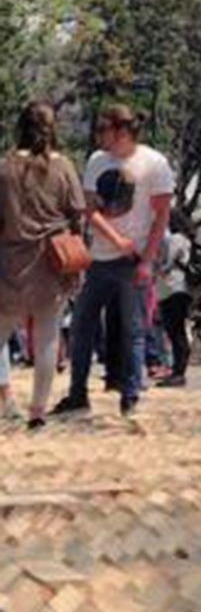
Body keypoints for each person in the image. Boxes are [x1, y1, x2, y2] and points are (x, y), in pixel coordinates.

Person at [53, 104, 174, 419]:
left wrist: (147, 261)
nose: (99, 135)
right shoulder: (97, 161)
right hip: (100, 257)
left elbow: (161, 216)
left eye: (103, 129)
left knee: (133, 330)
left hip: (134, 260)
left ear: (121, 131)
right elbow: (90, 209)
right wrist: (115, 239)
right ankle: (77, 394)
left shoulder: (154, 163)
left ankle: (130, 396)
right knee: (82, 325)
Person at [0, 101, 87, 429]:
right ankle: (37, 411)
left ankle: (7, 399)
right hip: (53, 264)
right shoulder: (63, 167)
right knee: (48, 337)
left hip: (11, 263)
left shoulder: (5, 168)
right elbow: (77, 213)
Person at [154, 210, 193, 387]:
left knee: (175, 331)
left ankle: (179, 372)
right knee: (177, 331)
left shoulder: (175, 239)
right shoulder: (186, 239)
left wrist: (154, 263)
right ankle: (177, 370)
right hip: (181, 288)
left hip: (172, 287)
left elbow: (166, 262)